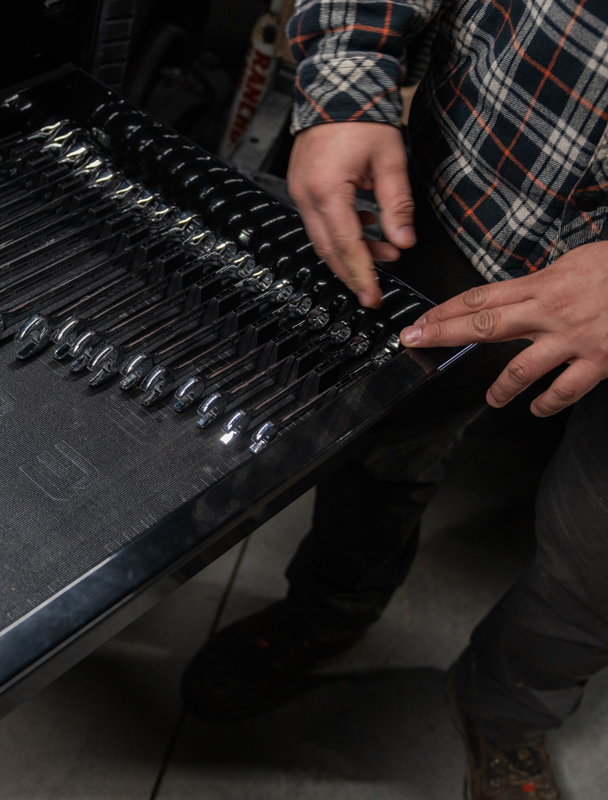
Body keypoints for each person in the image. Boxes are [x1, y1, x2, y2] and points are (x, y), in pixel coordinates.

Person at [180, 2, 608, 798]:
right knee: (385, 444)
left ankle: (506, 710)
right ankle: (328, 613)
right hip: (468, 199)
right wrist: (346, 79)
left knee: (600, 559)